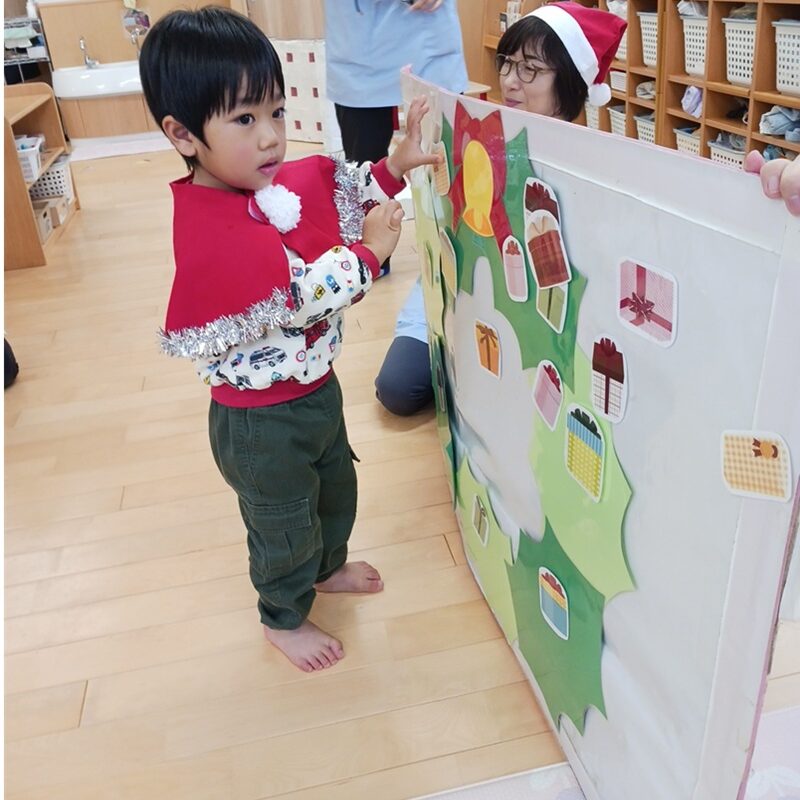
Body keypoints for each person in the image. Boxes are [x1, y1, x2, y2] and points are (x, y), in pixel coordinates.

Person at [139, 7, 438, 673]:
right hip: (260, 424)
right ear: (183, 134)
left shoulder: (267, 185)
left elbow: (335, 192)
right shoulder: (208, 226)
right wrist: (368, 255)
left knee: (335, 490)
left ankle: (326, 569)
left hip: (314, 390)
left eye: (276, 111)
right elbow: (297, 298)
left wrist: (393, 166)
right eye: (245, 120)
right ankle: (282, 615)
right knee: (283, 523)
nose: (272, 136)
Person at [375, 2, 626, 415]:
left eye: (529, 69)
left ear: (568, 81)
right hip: (460, 288)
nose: (509, 80)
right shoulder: (480, 134)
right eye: (507, 63)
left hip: (531, 309)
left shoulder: (589, 168)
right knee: (398, 389)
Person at [326, 0, 468, 275]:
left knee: (445, 164)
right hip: (360, 43)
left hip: (431, 38)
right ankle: (373, 258)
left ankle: (456, 261)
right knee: (365, 173)